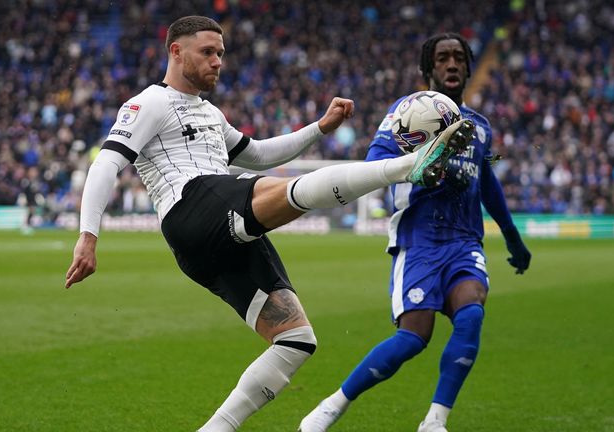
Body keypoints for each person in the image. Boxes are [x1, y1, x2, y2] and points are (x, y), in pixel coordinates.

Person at [64, 17, 474, 432]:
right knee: (283, 190)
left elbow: (258, 154)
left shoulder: (210, 113)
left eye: (221, 53)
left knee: (296, 341)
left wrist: (319, 128)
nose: (217, 61)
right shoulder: (149, 102)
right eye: (207, 52)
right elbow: (108, 162)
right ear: (176, 51)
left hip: (211, 244)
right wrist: (88, 236)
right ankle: (407, 166)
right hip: (189, 208)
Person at [299, 33, 532, 432]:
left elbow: (486, 181)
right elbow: (376, 160)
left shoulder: (479, 126)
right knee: (413, 338)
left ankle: (435, 421)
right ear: (428, 69)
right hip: (419, 240)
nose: (452, 64)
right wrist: (419, 160)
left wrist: (512, 237)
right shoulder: (408, 112)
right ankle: (333, 405)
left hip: (463, 241)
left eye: (459, 57)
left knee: (472, 314)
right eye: (442, 58)